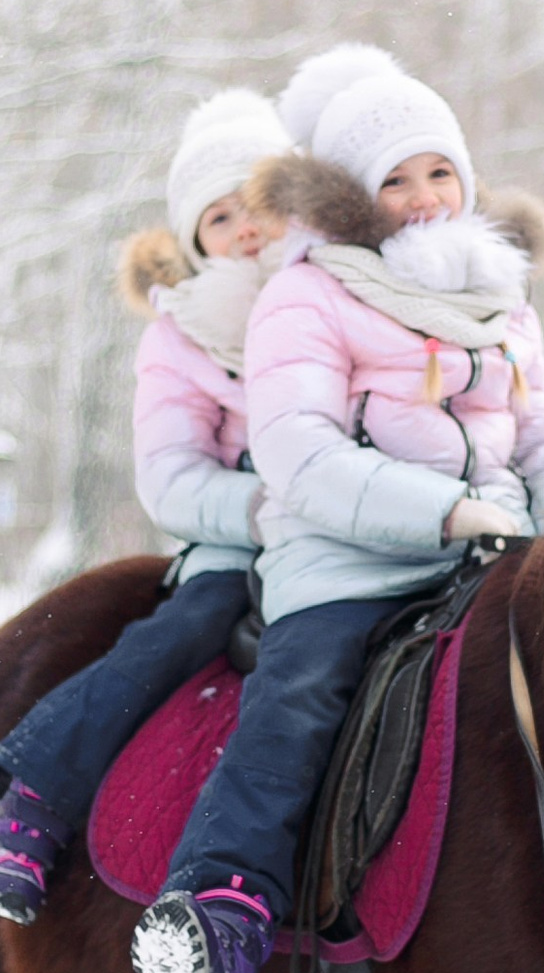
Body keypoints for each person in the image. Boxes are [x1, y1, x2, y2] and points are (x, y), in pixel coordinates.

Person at [128, 45, 544, 973]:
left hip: (496, 550)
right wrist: (447, 512)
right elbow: (297, 451)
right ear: (355, 196)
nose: (425, 197)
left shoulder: (500, 300)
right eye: (395, 178)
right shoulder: (308, 296)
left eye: (439, 171)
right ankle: (217, 908)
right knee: (301, 695)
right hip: (347, 565)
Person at [0, 89, 291, 926]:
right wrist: (268, 508)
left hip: (344, 536)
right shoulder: (181, 336)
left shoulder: (338, 303)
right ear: (193, 242)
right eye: (218, 219)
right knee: (185, 630)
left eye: (260, 208)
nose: (245, 231)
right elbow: (169, 479)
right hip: (237, 541)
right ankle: (40, 792)